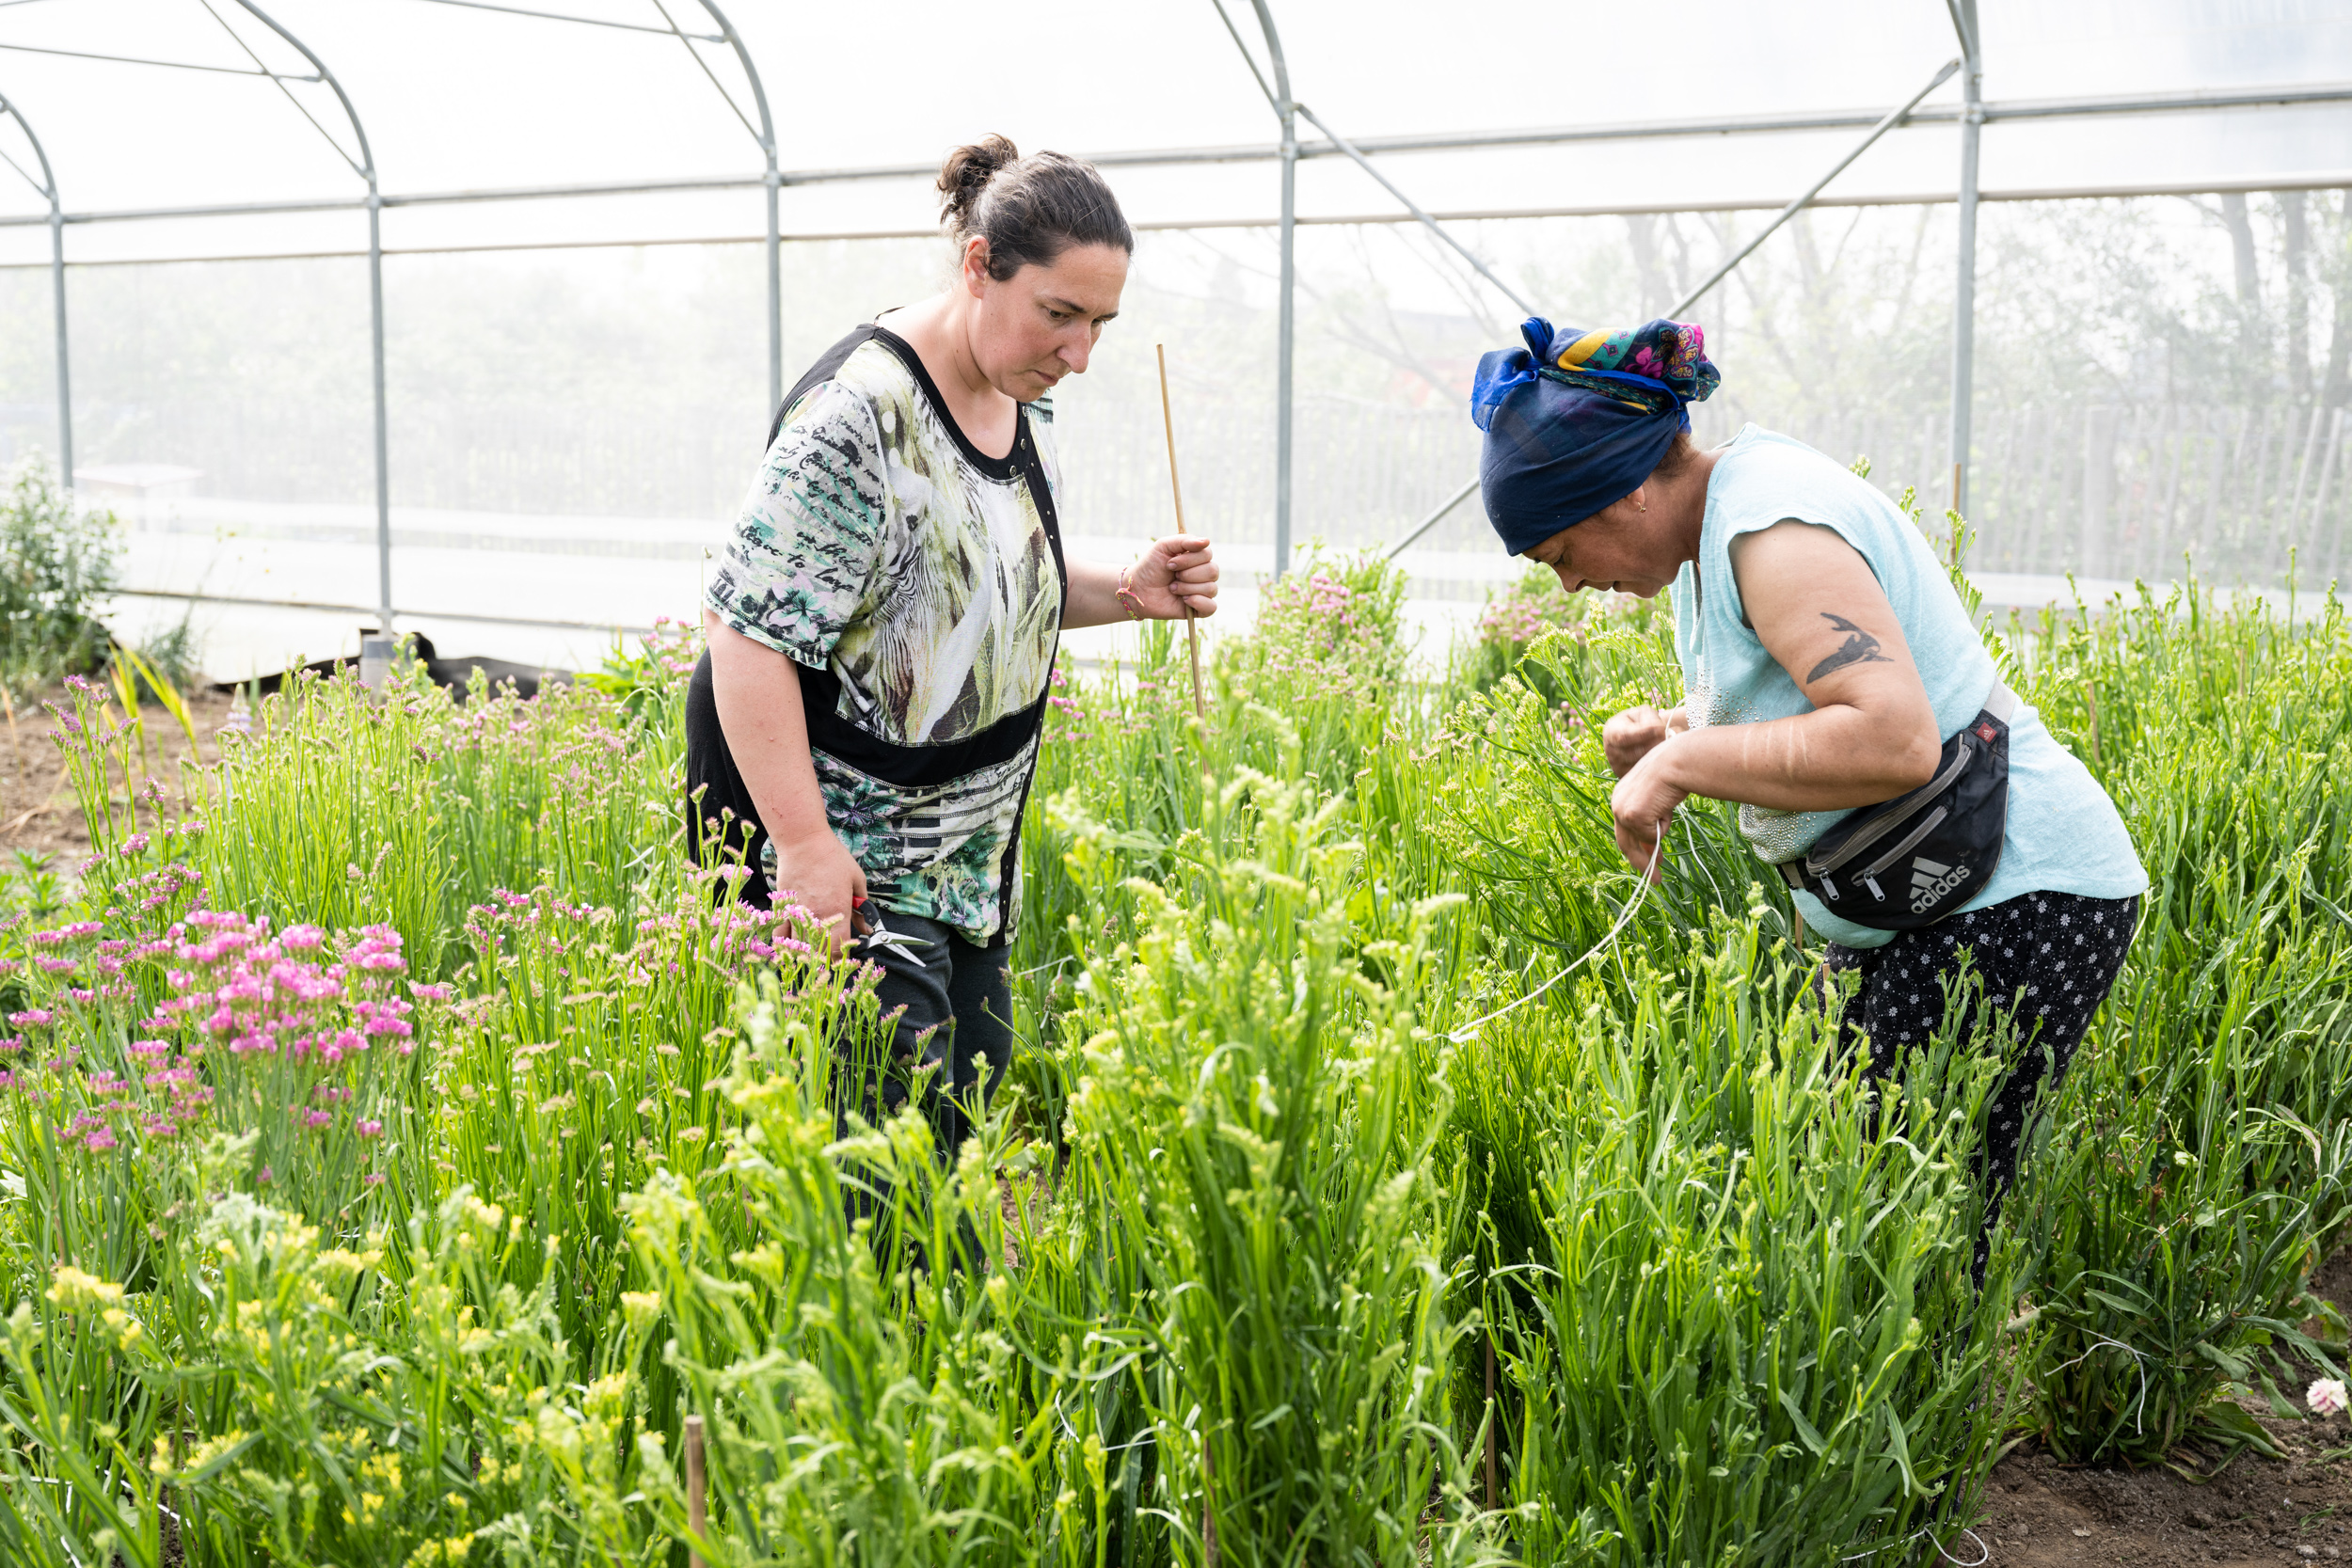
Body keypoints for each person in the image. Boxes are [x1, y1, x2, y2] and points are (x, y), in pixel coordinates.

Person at [1471, 315, 2148, 1279]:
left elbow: (1891, 737)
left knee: (1887, 1247)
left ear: (1618, 493)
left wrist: (1686, 765)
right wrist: (1672, 736)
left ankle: (1941, 1422)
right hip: (1936, 898)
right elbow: (1805, 706)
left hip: (2013, 895)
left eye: (1559, 554)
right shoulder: (1713, 538)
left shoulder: (1771, 526)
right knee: (1869, 1223)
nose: (1575, 584)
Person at [689, 135, 1218, 1157]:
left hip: (971, 860)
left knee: (963, 1130)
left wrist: (1131, 590)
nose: (1079, 352)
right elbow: (745, 636)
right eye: (1058, 314)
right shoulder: (859, 421)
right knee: (878, 1176)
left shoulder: (1024, 397)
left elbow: (977, 592)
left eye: (1100, 323)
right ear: (979, 266)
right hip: (859, 859)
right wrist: (800, 846)